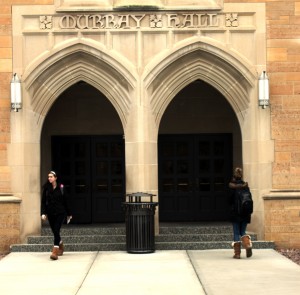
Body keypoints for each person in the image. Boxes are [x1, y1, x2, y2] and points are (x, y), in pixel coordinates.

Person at [41, 171, 72, 260]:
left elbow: (66, 201)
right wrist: (43, 213)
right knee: (55, 231)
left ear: (55, 178)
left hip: (60, 213)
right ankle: (61, 245)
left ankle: (55, 251)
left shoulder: (61, 188)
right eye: (48, 177)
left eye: (51, 177)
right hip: (50, 213)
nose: (49, 178)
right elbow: (43, 202)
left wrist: (69, 213)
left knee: (56, 229)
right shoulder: (46, 189)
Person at [228, 167, 253, 259]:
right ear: (241, 175)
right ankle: (247, 245)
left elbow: (229, 200)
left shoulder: (232, 187)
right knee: (242, 231)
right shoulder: (246, 186)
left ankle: (237, 254)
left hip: (236, 213)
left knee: (236, 232)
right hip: (245, 213)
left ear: (234, 176)